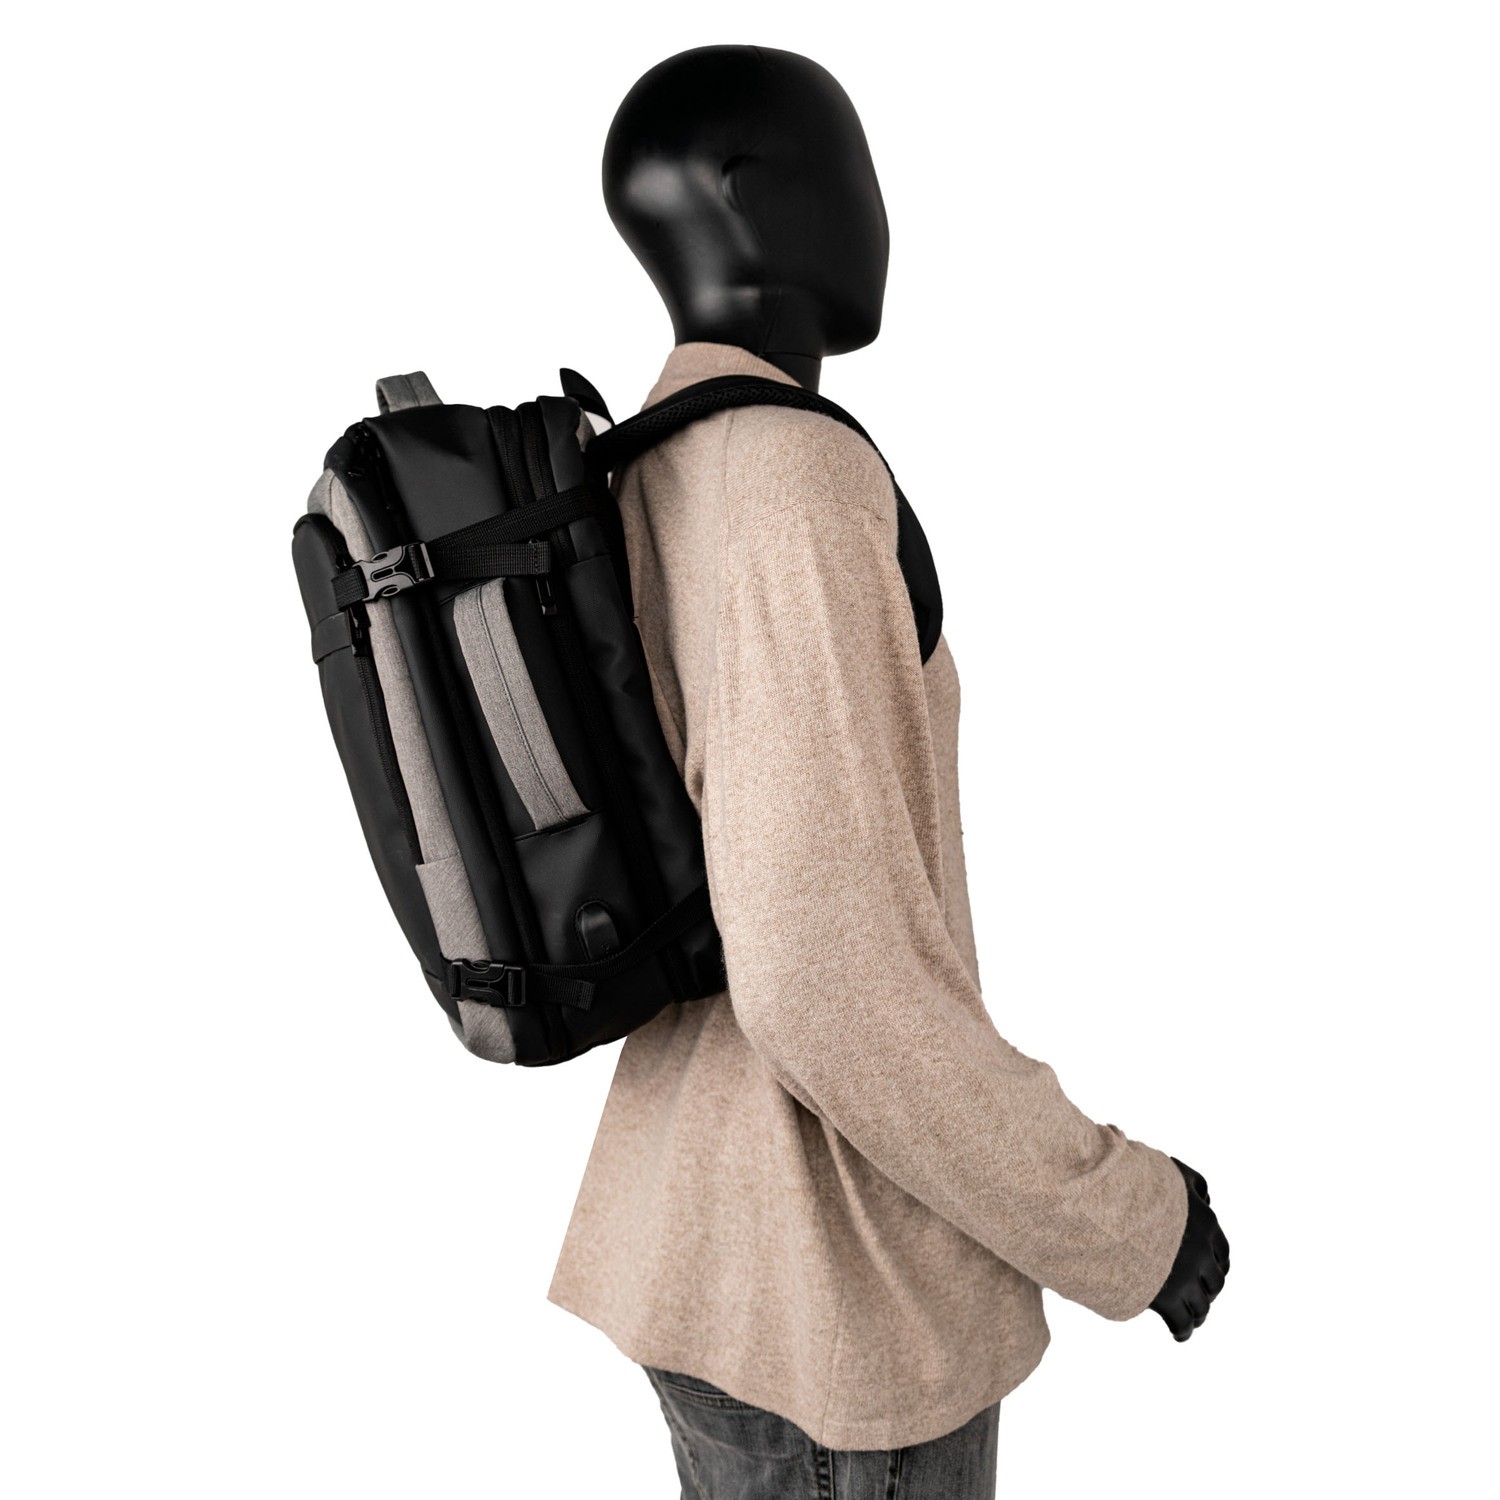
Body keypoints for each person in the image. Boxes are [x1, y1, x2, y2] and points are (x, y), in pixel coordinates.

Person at [548, 45, 1230, 1500]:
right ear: (749, 194)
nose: (881, 215)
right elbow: (825, 979)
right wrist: (1129, 1220)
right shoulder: (791, 477)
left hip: (699, 1224)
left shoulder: (645, 467)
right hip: (835, 1295)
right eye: (854, 171)